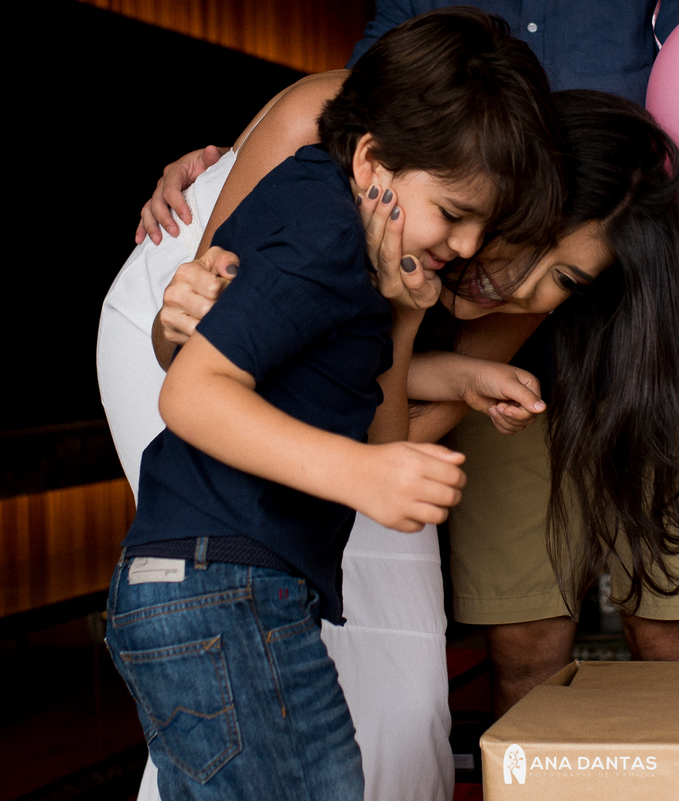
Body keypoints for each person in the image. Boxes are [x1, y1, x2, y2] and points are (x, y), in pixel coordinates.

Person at [101, 9, 562, 799]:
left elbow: (377, 430)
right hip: (217, 591)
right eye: (454, 215)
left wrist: (413, 322)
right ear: (374, 160)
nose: (463, 247)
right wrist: (358, 475)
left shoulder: (365, 255)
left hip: (251, 589)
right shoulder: (322, 228)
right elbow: (191, 391)